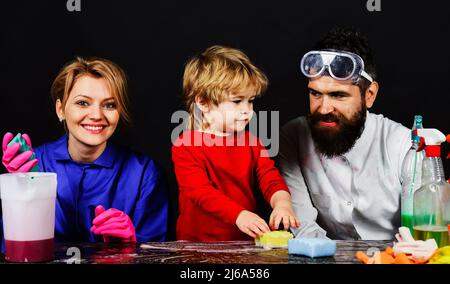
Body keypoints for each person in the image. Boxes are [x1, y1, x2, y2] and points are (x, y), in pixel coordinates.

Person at [1, 57, 169, 245]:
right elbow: (10, 249)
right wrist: (17, 193)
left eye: (109, 105)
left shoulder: (144, 174)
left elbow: (155, 254)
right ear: (61, 109)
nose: (97, 115)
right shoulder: (33, 164)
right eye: (82, 103)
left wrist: (132, 246)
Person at [278, 27, 411, 240]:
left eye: (338, 95)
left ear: (369, 95)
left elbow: (422, 233)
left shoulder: (403, 145)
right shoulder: (293, 137)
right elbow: (302, 225)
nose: (324, 108)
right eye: (315, 94)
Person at [172, 45, 299, 241]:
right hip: (197, 245)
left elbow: (270, 178)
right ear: (204, 103)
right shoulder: (186, 145)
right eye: (237, 101)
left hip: (243, 241)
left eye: (250, 101)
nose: (247, 110)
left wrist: (283, 203)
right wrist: (239, 215)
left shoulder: (253, 143)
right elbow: (200, 191)